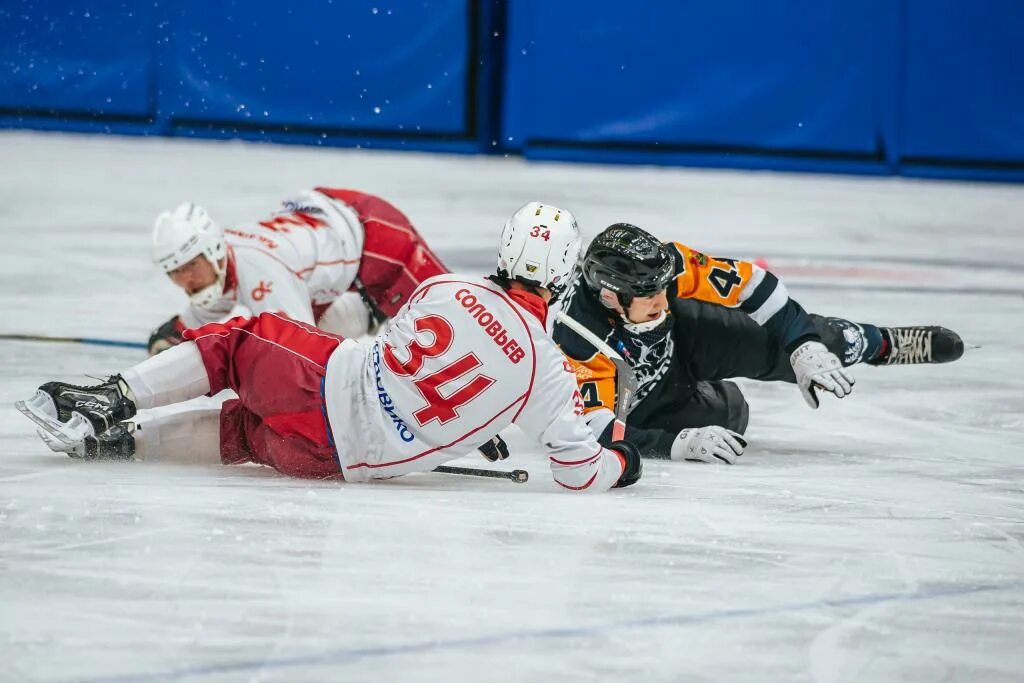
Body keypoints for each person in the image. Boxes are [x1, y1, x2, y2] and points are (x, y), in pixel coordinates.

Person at [17, 203, 642, 492]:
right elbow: (578, 474)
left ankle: (112, 397)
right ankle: (121, 445)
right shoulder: (548, 372)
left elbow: (395, 349)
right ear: (563, 275)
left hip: (329, 380)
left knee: (236, 343)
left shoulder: (448, 286)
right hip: (342, 461)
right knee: (239, 436)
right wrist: (621, 459)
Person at [553, 223, 964, 465]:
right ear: (611, 296)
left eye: (664, 288)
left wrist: (805, 346)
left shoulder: (669, 267)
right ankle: (710, 395)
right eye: (649, 296)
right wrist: (676, 444)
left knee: (784, 343)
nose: (662, 299)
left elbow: (755, 285)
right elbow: (597, 432)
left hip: (686, 337)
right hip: (642, 399)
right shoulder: (580, 341)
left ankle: (878, 345)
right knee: (732, 414)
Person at [146, 188, 447, 355]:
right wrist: (174, 334)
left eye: (190, 267)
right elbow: (203, 311)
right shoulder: (222, 262)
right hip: (333, 221)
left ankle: (369, 308)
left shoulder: (262, 273)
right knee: (285, 333)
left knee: (447, 309)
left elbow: (304, 355)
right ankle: (367, 310)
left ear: (212, 252)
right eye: (174, 271)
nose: (185, 280)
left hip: (379, 239)